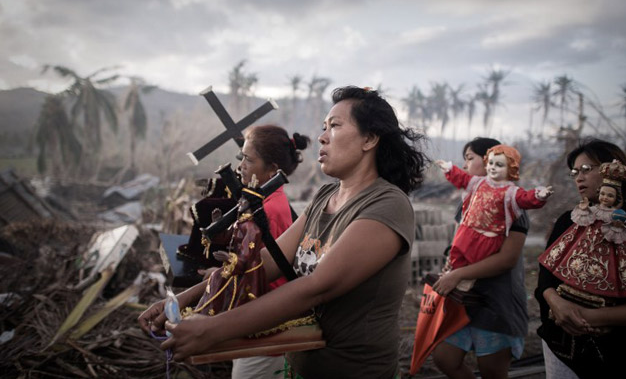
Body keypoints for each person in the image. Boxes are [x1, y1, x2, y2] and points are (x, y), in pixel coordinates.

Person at [138, 86, 430, 378]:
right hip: (300, 365)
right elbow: (268, 262)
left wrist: (214, 329)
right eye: (323, 127)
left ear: (369, 138)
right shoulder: (323, 197)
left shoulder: (388, 204)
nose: (322, 136)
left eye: (335, 126)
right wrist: (185, 298)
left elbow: (317, 286)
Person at [196, 125, 310, 379]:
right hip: (254, 317)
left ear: (273, 170)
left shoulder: (270, 210)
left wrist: (225, 270)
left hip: (267, 323)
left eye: (248, 159)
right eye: (241, 159)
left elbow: (261, 269)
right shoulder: (264, 202)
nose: (241, 167)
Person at [535, 138, 626, 378]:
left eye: (587, 169)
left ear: (612, 170)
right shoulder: (569, 220)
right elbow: (545, 275)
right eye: (575, 172)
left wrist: (587, 317)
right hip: (558, 346)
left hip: (620, 353)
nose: (578, 177)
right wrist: (556, 303)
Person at [425, 138, 534, 379]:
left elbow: (506, 259)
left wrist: (458, 275)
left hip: (496, 302)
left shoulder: (512, 203)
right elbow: (457, 246)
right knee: (444, 358)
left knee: (493, 371)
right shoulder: (468, 202)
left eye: (470, 158)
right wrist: (449, 268)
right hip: (462, 298)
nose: (464, 166)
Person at [436, 144, 553, 289]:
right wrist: (449, 169)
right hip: (467, 231)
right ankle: (454, 277)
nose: (492, 167)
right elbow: (462, 178)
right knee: (458, 254)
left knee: (476, 259)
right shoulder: (477, 183)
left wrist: (539, 195)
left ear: (510, 168)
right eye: (490, 163)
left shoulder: (511, 193)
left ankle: (464, 280)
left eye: (499, 165)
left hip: (488, 236)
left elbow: (526, 198)